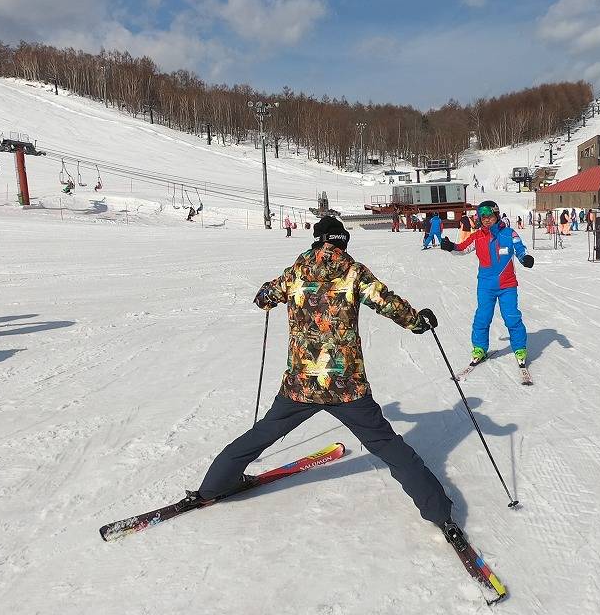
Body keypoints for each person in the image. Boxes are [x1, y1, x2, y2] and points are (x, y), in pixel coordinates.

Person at [193, 216, 468, 545]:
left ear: (317, 240)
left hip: (302, 384)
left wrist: (269, 296)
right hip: (346, 387)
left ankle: (213, 487)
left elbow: (264, 296)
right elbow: (388, 303)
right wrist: (418, 322)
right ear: (342, 242)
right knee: (389, 447)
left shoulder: (297, 271)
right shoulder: (353, 272)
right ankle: (440, 513)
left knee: (261, 434)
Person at [440, 200, 533, 367]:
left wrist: (525, 258)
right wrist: (450, 246)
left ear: (496, 216)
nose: (487, 220)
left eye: (490, 216)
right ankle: (480, 348)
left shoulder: (509, 234)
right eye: (484, 218)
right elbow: (461, 248)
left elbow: (520, 249)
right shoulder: (477, 236)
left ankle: (519, 348)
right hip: (485, 286)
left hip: (507, 285)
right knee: (482, 317)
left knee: (512, 317)